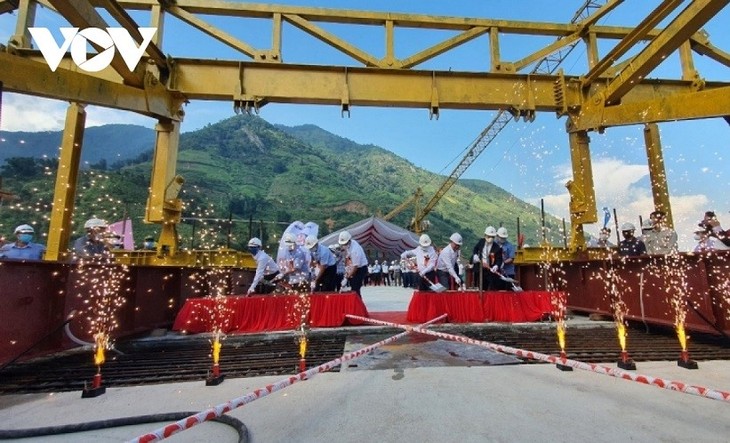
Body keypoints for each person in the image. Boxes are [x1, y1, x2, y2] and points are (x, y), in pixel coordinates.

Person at [472, 226, 503, 291]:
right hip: (480, 268)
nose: (490, 238)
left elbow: (499, 260)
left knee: (491, 287)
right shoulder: (481, 241)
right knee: (480, 287)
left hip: (490, 270)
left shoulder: (497, 248)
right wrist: (475, 255)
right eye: (488, 236)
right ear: (485, 235)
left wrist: (496, 266)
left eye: (492, 237)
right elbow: (475, 248)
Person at [338, 230, 368, 298]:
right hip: (354, 267)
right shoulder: (351, 243)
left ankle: (358, 305)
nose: (344, 245)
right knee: (353, 286)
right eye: (343, 244)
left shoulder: (355, 250)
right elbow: (348, 258)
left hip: (360, 269)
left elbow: (355, 267)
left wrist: (346, 278)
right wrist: (347, 271)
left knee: (355, 288)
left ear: (349, 241)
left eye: (345, 244)